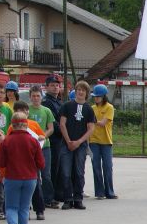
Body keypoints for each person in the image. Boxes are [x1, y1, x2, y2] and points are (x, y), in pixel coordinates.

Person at [0, 112, 44, 224]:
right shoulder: (33, 141)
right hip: (30, 178)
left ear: (12, 125)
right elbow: (41, 163)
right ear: (26, 125)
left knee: (11, 207)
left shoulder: (6, 141)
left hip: (12, 178)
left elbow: (1, 162)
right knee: (24, 208)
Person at [57, 80, 96, 210]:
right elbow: (62, 124)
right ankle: (67, 199)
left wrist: (79, 142)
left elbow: (91, 128)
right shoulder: (67, 106)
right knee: (66, 172)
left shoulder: (89, 109)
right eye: (78, 89)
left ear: (86, 93)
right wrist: (68, 141)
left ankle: (78, 198)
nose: (80, 92)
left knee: (79, 172)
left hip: (81, 145)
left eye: (83, 90)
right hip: (66, 143)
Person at [9, 100, 48, 221]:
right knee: (21, 188)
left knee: (36, 186)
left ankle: (39, 209)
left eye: (25, 110)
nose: (23, 113)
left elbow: (42, 138)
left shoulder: (34, 124)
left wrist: (42, 138)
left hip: (32, 160)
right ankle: (25, 211)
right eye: (20, 110)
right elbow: (9, 140)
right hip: (18, 161)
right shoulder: (12, 127)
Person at [28, 86, 56, 211]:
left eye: (38, 96)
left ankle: (48, 199)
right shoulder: (27, 110)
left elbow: (51, 128)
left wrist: (43, 136)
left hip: (44, 146)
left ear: (42, 97)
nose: (35, 98)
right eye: (33, 96)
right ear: (30, 97)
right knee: (35, 175)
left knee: (46, 174)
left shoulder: (46, 111)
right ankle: (35, 200)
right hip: (30, 147)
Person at [89, 84, 116, 199]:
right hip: (93, 140)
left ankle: (109, 192)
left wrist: (92, 120)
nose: (96, 98)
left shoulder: (109, 107)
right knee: (96, 166)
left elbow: (103, 123)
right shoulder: (91, 108)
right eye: (95, 96)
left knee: (108, 166)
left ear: (104, 96)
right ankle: (99, 192)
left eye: (98, 96)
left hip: (106, 141)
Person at [42, 75, 64, 205]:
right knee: (53, 168)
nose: (55, 87)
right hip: (53, 139)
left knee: (59, 167)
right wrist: (64, 131)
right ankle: (51, 195)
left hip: (60, 139)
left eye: (57, 85)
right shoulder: (47, 102)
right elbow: (54, 122)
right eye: (52, 85)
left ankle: (59, 193)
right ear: (47, 87)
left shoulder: (58, 101)